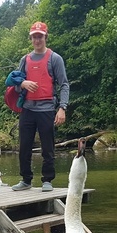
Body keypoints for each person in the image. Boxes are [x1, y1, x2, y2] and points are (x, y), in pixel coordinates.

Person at [11, 21, 70, 192]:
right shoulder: (25, 60)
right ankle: (26, 180)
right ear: (31, 38)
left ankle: (47, 180)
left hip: (46, 109)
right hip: (28, 109)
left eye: (40, 36)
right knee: (24, 146)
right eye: (34, 36)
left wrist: (62, 107)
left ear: (45, 37)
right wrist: (23, 84)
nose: (37, 40)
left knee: (48, 147)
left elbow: (64, 84)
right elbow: (14, 85)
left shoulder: (55, 58)